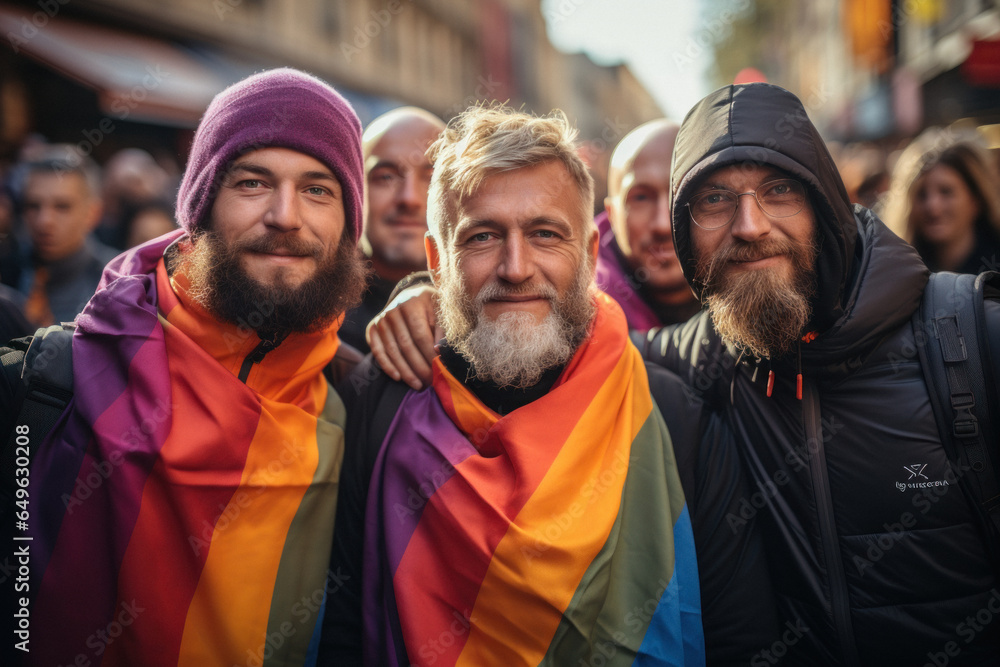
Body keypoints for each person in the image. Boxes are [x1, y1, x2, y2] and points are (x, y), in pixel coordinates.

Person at [366, 83, 1000, 664]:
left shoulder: (973, 337)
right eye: (715, 200)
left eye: (779, 189)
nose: (750, 226)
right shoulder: (690, 366)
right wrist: (425, 298)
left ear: (827, 202)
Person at [320, 105, 779, 667]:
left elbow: (743, 638)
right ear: (437, 264)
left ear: (587, 255)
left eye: (544, 234)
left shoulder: (672, 415)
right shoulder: (378, 400)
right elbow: (337, 630)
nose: (516, 267)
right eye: (483, 237)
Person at [0, 67, 368, 666]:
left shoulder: (359, 402)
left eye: (319, 188)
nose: (285, 215)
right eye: (252, 182)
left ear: (349, 225)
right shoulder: (47, 379)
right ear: (198, 210)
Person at [338, 107, 445, 353]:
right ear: (353, 189)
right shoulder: (309, 316)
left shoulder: (489, 312)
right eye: (386, 177)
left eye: (432, 179)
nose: (410, 198)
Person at [598, 119, 700, 329]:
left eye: (682, 194)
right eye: (641, 198)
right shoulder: (575, 321)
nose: (663, 225)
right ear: (611, 215)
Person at [17, 147, 118, 327]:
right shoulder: (8, 267)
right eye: (33, 205)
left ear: (93, 213)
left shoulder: (118, 283)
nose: (44, 221)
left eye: (62, 207)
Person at [882, 127, 1000, 275]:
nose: (933, 206)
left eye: (946, 192)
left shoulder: (994, 274)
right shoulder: (895, 272)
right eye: (922, 194)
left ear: (976, 200)